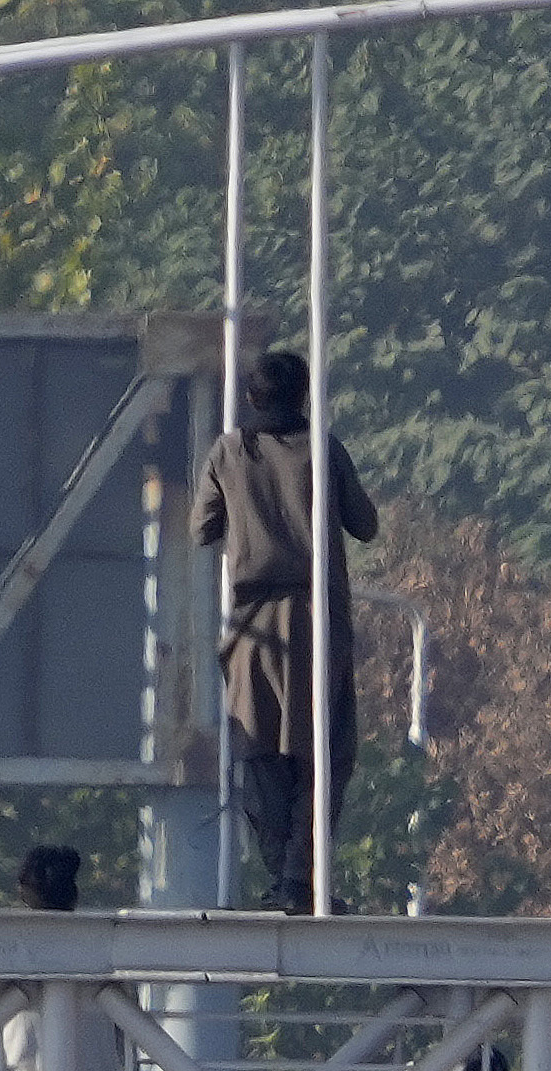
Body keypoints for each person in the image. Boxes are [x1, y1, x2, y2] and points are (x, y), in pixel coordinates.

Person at [189, 346, 377, 907]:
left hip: (253, 627)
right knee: (324, 753)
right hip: (318, 621)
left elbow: (201, 529)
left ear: (250, 397)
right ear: (305, 395)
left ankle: (283, 878)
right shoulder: (324, 450)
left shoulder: (229, 452)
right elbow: (365, 525)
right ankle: (303, 876)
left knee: (261, 753)